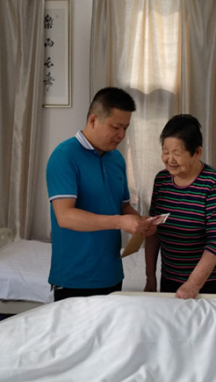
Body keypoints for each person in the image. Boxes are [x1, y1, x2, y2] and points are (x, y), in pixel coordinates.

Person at [46, 87, 154, 301]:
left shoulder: (116, 159)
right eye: (116, 127)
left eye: (125, 128)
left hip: (112, 274)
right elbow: (65, 217)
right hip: (74, 278)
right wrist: (120, 222)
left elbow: (122, 206)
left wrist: (141, 222)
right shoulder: (64, 157)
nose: (121, 135)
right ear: (93, 120)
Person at [145, 114, 216, 298]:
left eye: (177, 153)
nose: (170, 159)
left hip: (209, 279)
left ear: (197, 153)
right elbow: (153, 230)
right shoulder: (161, 180)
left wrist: (194, 283)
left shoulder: (214, 182)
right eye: (165, 152)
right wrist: (150, 276)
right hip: (171, 275)